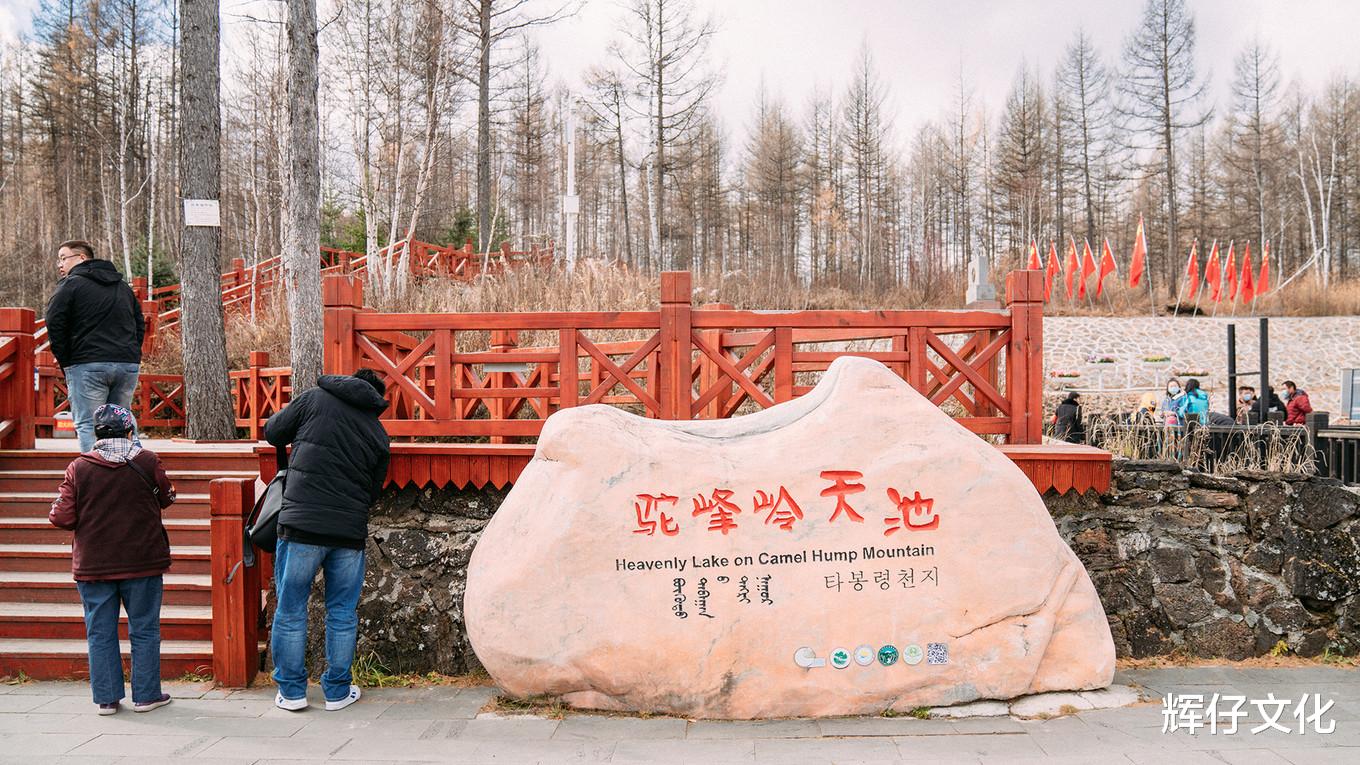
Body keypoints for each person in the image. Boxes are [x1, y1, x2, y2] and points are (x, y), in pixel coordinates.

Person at [264, 370, 390, 712]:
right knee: (342, 612)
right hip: (347, 532)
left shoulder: (314, 399)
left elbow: (273, 431)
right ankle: (336, 691)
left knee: (290, 609)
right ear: (376, 397)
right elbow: (373, 490)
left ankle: (291, 692)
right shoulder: (377, 432)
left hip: (301, 526)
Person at [48, 404, 177, 715]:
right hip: (142, 561)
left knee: (100, 630)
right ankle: (146, 695)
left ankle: (107, 698)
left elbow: (61, 517)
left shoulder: (78, 467)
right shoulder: (146, 461)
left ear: (96, 434)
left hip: (94, 563)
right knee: (145, 628)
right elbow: (167, 497)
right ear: (129, 431)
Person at [44, 240, 145, 452]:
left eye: (63, 258)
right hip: (126, 364)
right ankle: (133, 472)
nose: (59, 264)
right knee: (123, 421)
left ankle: (96, 479)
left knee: (89, 424)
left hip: (87, 363)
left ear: (82, 258)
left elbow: (55, 324)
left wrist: (67, 362)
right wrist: (132, 353)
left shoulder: (70, 285)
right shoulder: (123, 287)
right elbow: (138, 324)